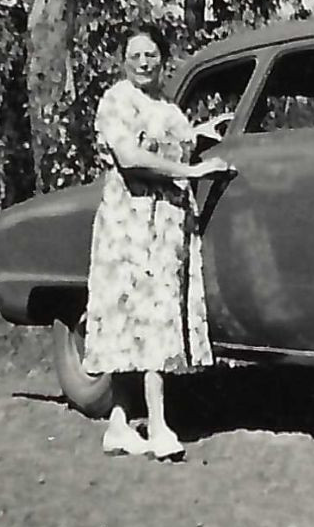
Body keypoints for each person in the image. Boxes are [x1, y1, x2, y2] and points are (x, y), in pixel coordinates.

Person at [84, 24, 233, 459]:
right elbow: (129, 158)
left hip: (166, 221)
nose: (145, 63)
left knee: (149, 313)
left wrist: (204, 133)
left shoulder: (166, 105)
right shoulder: (116, 100)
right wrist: (192, 173)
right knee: (144, 315)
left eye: (152, 55)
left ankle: (118, 424)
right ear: (123, 60)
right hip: (130, 219)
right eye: (136, 56)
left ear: (162, 59)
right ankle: (160, 426)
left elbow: (171, 141)